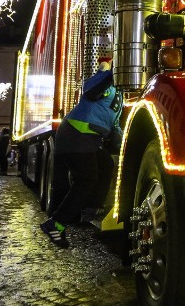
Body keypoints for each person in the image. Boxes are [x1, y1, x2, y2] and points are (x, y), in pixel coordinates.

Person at [39, 59, 122, 248]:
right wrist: (110, 73)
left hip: (89, 138)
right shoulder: (105, 80)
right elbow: (90, 91)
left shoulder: (120, 94)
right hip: (76, 134)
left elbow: (112, 123)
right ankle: (55, 223)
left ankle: (90, 209)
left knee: (105, 165)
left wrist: (122, 141)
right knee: (86, 180)